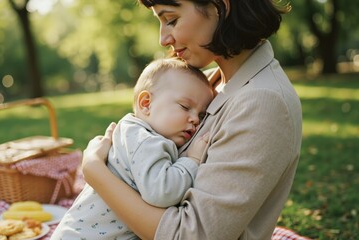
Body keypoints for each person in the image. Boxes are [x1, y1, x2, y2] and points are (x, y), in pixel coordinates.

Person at [79, 0, 303, 240]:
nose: (163, 39)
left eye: (171, 20)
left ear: (221, 6)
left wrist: (94, 170)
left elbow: (189, 235)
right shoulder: (205, 84)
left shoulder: (262, 103)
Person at [51, 57, 214, 240]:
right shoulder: (145, 140)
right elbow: (163, 192)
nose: (196, 120)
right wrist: (191, 161)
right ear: (146, 104)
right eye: (185, 107)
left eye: (201, 114)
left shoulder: (135, 133)